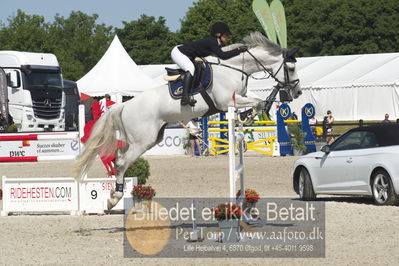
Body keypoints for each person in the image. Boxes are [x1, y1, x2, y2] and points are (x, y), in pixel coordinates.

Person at [171, 22, 248, 106]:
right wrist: (239, 50)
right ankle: (185, 97)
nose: (227, 37)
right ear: (218, 34)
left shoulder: (215, 42)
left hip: (187, 54)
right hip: (178, 52)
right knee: (190, 68)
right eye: (226, 35)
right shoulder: (212, 42)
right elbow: (223, 55)